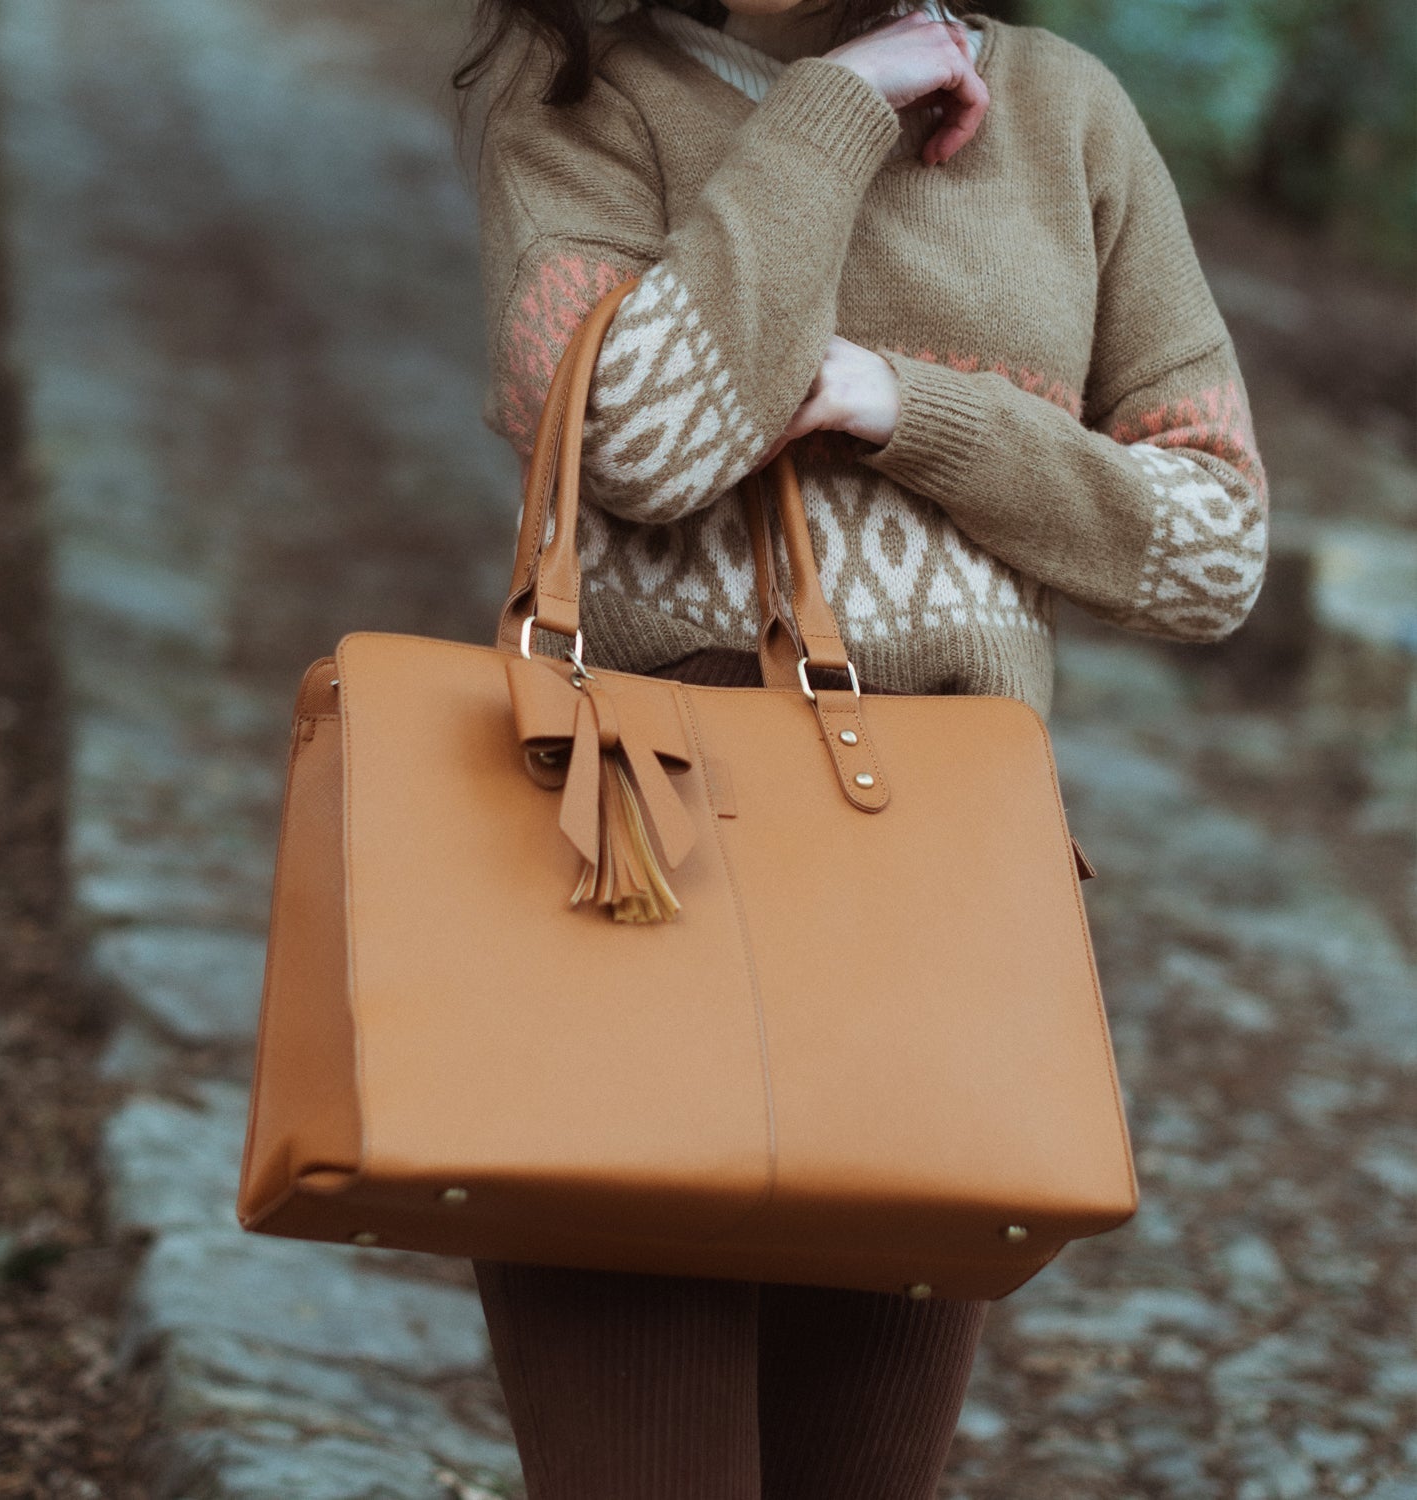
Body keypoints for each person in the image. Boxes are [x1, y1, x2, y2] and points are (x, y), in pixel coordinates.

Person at [454, 1, 1268, 1495]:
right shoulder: (579, 97)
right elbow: (642, 439)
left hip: (941, 905)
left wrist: (914, 411)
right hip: (632, 875)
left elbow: (1213, 552)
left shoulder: (1067, 113)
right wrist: (834, 106)